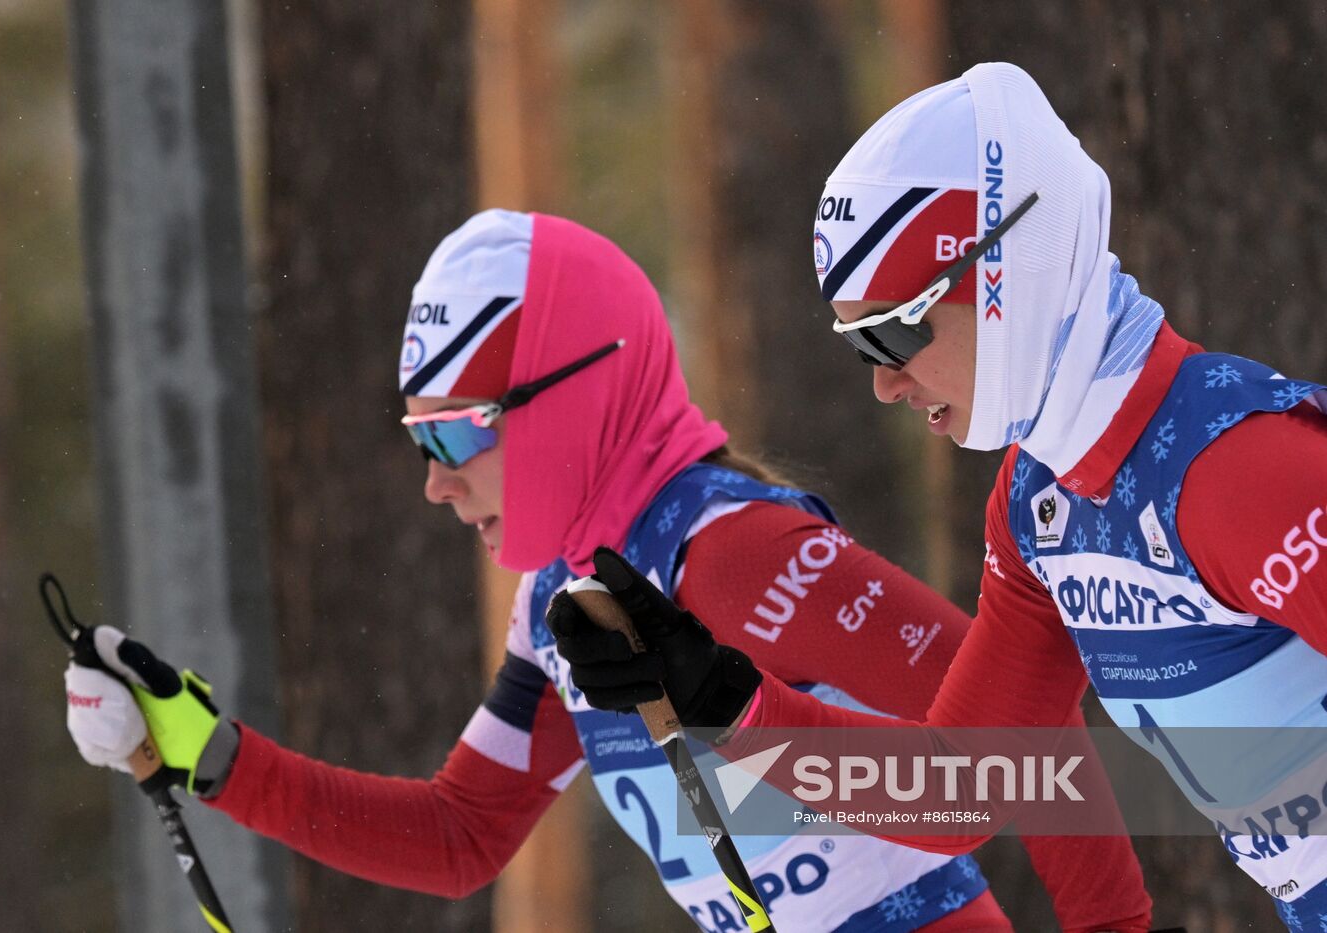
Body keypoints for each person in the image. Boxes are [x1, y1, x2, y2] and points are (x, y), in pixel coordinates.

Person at [64, 209, 1153, 931]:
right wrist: (215, 759)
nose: (433, 485)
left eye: (453, 439)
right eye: (418, 444)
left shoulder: (734, 555)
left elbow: (1024, 750)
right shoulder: (558, 607)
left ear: (565, 405)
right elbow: (460, 836)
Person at [546, 62, 1327, 929]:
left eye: (893, 332)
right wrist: (723, 696)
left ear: (1005, 276)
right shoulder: (1043, 506)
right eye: (860, 348)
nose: (884, 383)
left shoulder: (1240, 472)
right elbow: (960, 786)